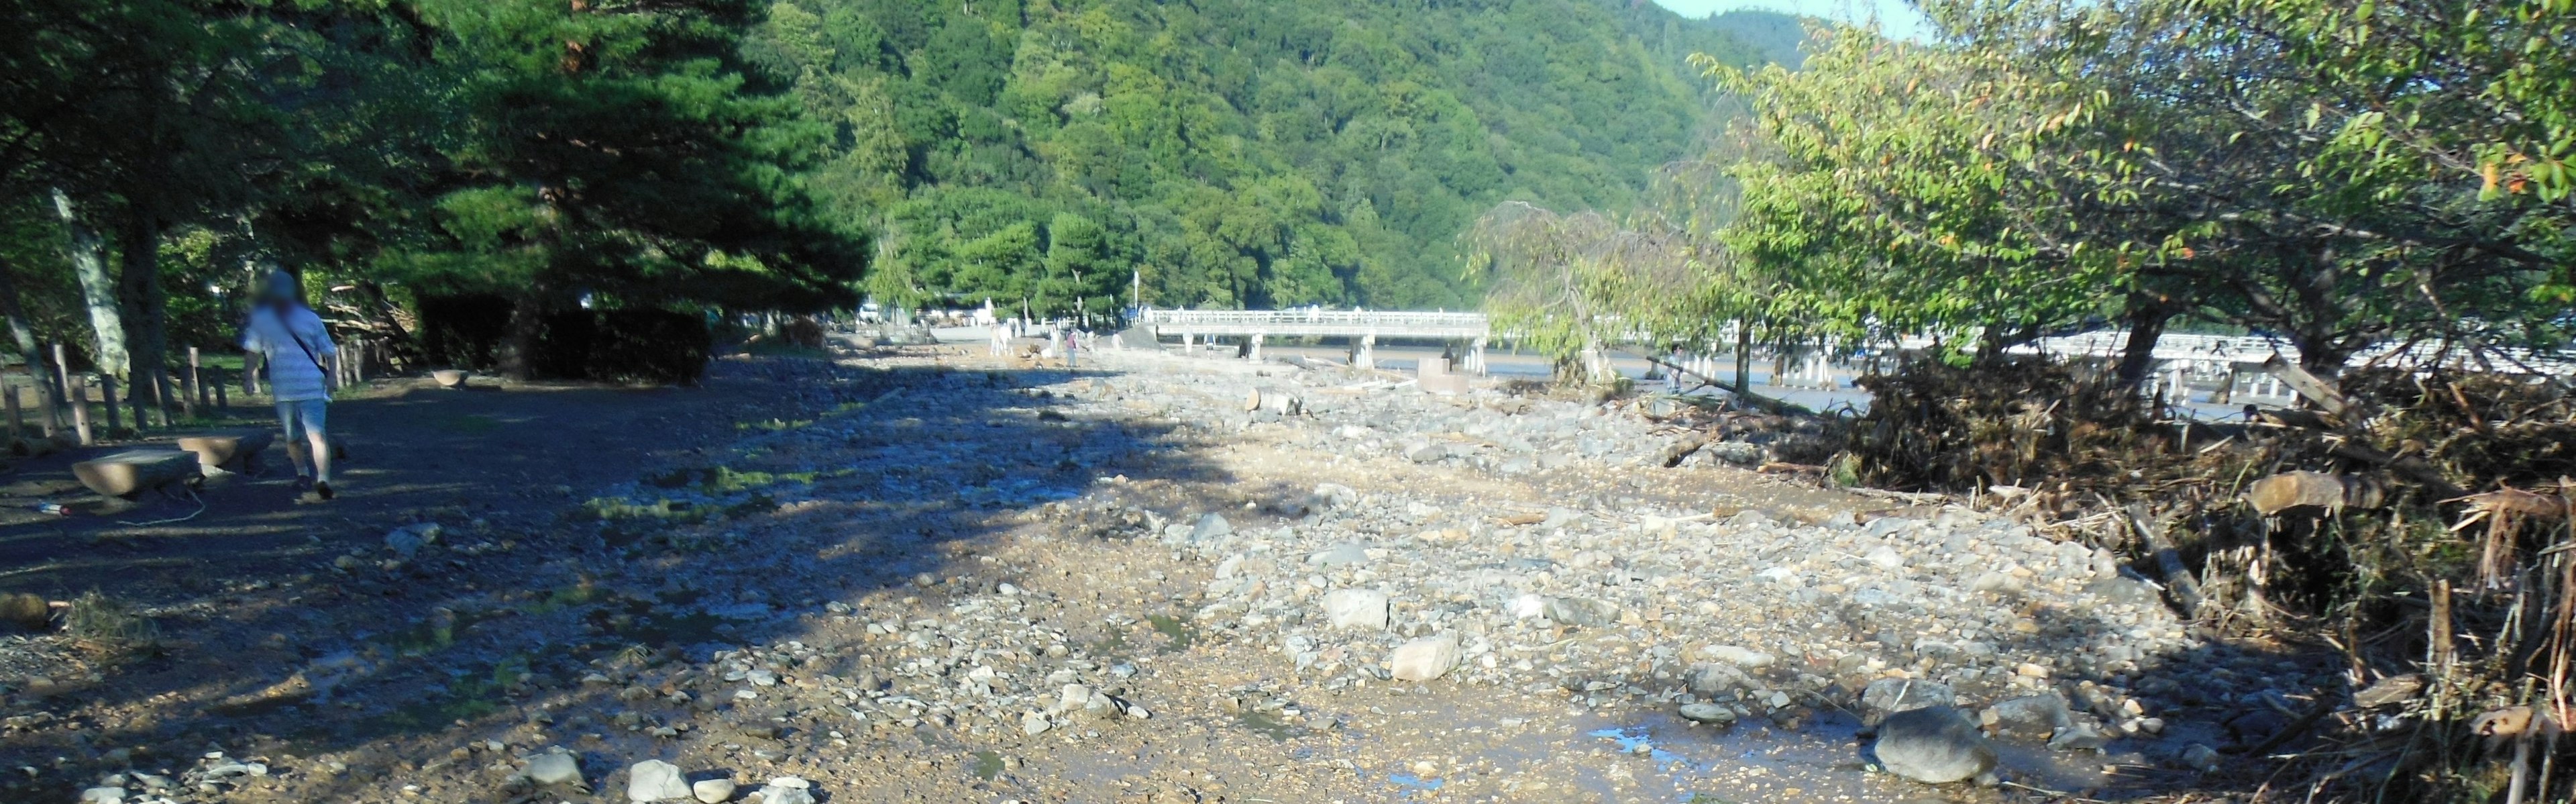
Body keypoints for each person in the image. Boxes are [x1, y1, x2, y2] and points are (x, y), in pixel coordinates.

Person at [241, 270, 339, 500]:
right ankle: (302, 473)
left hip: (311, 386)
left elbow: (329, 351)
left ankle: (323, 479)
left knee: (317, 435)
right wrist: (247, 376)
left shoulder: (310, 319)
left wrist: (332, 377)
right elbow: (252, 352)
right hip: (283, 389)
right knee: (292, 437)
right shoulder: (262, 320)